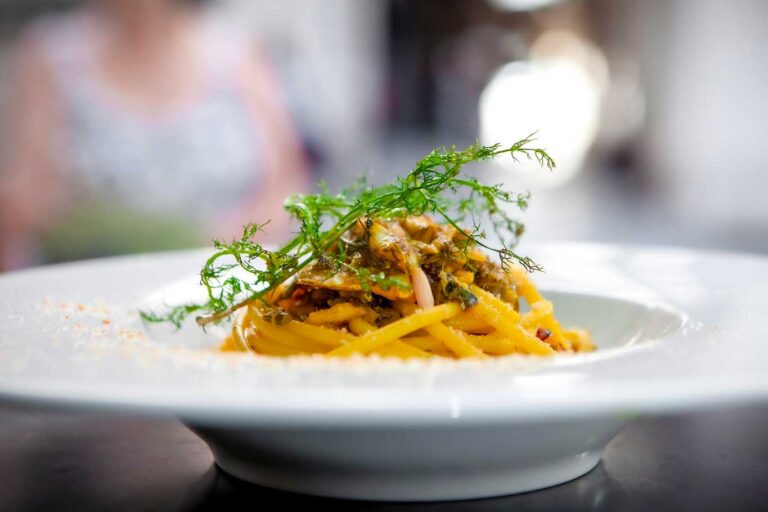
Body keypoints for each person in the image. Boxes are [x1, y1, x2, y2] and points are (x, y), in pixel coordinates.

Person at [0, 0, 308, 269]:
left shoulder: (237, 49)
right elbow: (27, 194)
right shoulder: (51, 54)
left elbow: (285, 185)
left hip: (224, 271)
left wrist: (217, 246)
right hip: (92, 276)